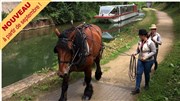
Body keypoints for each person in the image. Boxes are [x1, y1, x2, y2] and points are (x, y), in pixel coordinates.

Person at [131, 29, 156, 95]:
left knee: (146, 73)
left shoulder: (150, 42)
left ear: (143, 35)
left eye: (140, 35)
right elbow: (138, 50)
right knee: (138, 73)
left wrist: (146, 57)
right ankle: (137, 88)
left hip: (148, 61)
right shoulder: (140, 42)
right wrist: (135, 53)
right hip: (140, 60)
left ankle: (147, 84)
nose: (139, 37)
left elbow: (154, 51)